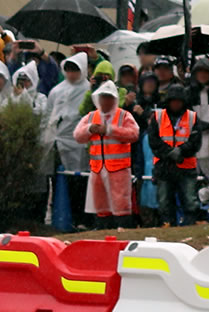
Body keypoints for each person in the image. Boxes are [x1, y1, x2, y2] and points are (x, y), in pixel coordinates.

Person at [82, 80, 140, 229]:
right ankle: (102, 229)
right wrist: (89, 130)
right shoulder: (92, 116)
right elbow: (79, 134)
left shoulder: (124, 116)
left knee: (121, 204)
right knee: (101, 205)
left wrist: (110, 130)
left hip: (118, 169)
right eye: (103, 97)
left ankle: (123, 228)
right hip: (98, 168)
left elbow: (134, 134)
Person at [44, 53, 92, 231]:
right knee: (57, 180)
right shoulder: (57, 91)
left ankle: (81, 219)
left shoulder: (88, 90)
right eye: (68, 70)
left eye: (75, 70)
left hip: (78, 142)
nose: (71, 74)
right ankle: (59, 218)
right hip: (57, 142)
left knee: (79, 182)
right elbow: (48, 115)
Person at [148, 82, 203, 226]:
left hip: (186, 167)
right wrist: (169, 153)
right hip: (163, 167)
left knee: (190, 201)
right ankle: (168, 226)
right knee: (164, 202)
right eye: (173, 101)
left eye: (179, 101)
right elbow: (153, 141)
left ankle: (190, 225)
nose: (176, 104)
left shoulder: (192, 117)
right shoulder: (158, 117)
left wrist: (181, 151)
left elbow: (196, 142)